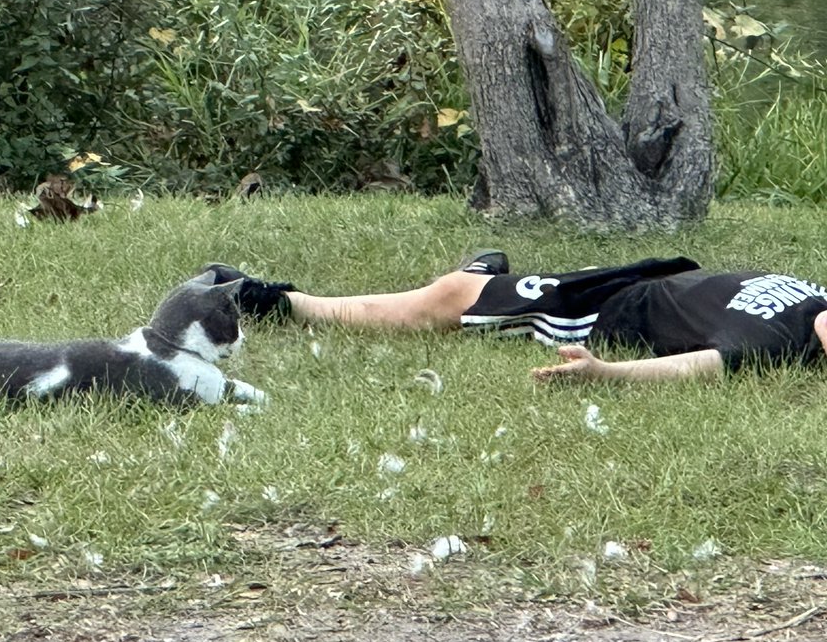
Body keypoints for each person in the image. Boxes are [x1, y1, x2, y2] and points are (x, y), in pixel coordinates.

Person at [202, 252, 827, 384]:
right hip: (640, 278)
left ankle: (276, 303)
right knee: (472, 288)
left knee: (445, 299)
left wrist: (605, 374)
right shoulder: (816, 298)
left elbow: (699, 367)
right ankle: (484, 277)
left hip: (597, 313)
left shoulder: (772, 342)